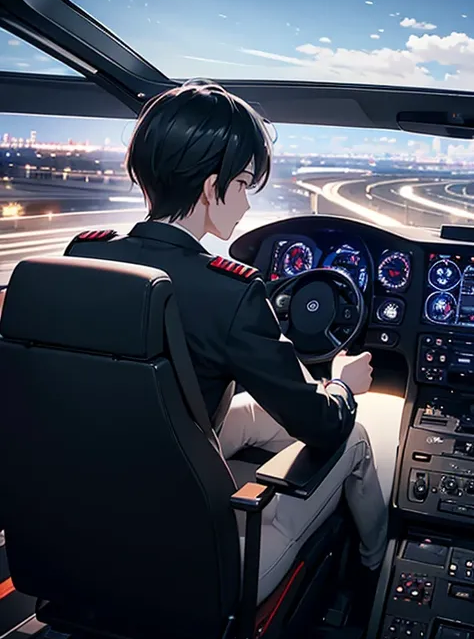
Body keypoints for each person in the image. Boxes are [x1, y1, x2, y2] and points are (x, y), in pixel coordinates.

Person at [65, 80, 397, 604]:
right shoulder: (232, 293)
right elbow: (319, 424)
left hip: (81, 529)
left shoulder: (82, 255)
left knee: (246, 410)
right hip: (192, 569)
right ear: (210, 185)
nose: (245, 202)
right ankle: (376, 580)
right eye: (243, 184)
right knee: (352, 434)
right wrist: (340, 385)